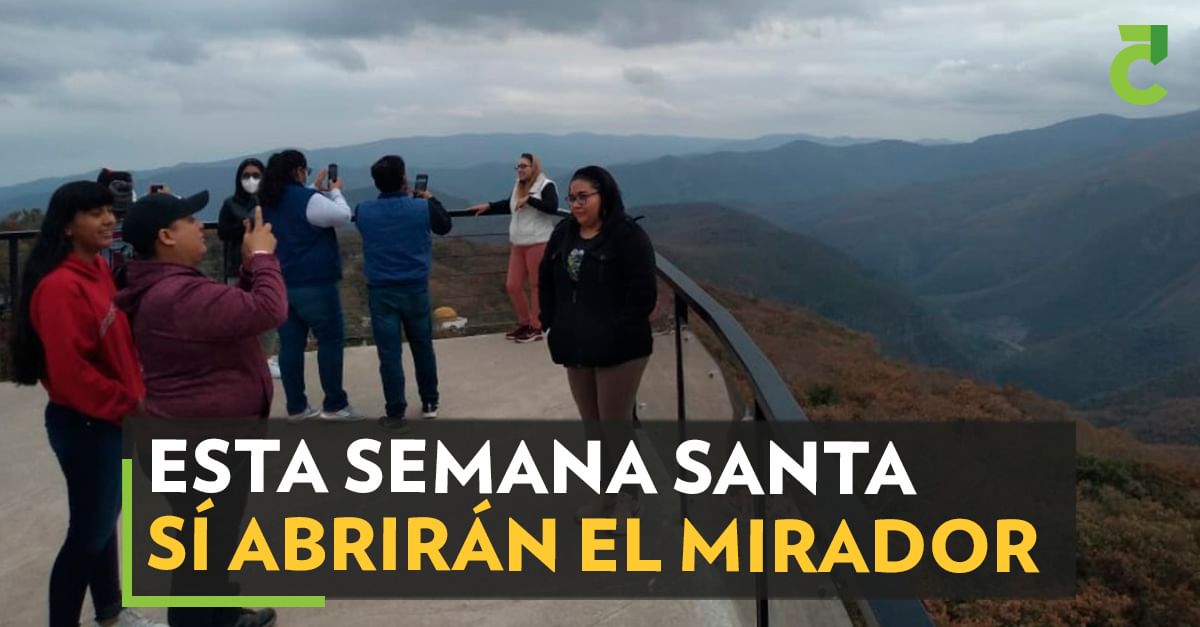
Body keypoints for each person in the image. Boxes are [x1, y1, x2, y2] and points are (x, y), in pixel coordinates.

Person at [114, 190, 282, 627]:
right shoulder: (176, 293)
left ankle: (219, 614)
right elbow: (269, 309)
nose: (200, 226)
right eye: (190, 220)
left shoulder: (171, 287)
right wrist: (263, 258)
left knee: (209, 540)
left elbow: (233, 318)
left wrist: (248, 269)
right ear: (166, 236)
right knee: (204, 543)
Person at [7, 181, 162, 627]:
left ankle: (111, 611)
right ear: (67, 226)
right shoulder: (60, 287)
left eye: (109, 211)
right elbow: (71, 375)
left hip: (110, 420)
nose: (109, 220)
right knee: (87, 536)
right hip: (87, 425)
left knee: (101, 523)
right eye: (95, 213)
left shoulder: (95, 269)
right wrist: (129, 403)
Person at [538, 165, 657, 519]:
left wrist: (611, 331)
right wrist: (550, 324)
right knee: (593, 428)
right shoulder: (563, 233)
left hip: (620, 349)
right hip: (575, 345)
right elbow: (547, 281)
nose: (575, 204)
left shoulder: (627, 236)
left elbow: (643, 296)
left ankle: (629, 498)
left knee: (615, 426)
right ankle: (604, 498)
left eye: (583, 197)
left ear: (604, 196)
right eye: (571, 198)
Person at [259, 149, 365, 422]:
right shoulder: (307, 199)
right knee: (329, 340)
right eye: (304, 170)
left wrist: (314, 190)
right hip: (314, 282)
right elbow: (342, 216)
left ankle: (296, 407)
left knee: (290, 345)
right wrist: (336, 191)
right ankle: (335, 404)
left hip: (281, 282)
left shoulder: (268, 200)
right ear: (297, 171)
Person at [354, 155, 452, 427]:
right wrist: (430, 199)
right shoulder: (421, 207)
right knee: (423, 347)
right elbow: (444, 226)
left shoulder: (363, 210)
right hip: (415, 288)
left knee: (389, 354)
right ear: (403, 179)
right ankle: (430, 402)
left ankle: (395, 411)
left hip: (381, 292)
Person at [468, 153, 560, 343]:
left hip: (538, 241)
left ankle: (536, 326)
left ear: (534, 167)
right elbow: (510, 204)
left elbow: (552, 207)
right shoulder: (518, 185)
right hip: (518, 242)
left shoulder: (546, 185)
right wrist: (489, 206)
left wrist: (530, 200)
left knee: (536, 286)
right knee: (513, 285)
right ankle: (525, 323)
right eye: (518, 166)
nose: (520, 170)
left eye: (524, 166)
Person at [216, 158, 280, 378]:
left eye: (256, 175)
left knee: (269, 313)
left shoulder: (270, 202)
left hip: (266, 267)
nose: (251, 180)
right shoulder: (229, 204)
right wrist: (244, 228)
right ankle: (242, 360)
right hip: (237, 267)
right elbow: (222, 232)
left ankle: (267, 358)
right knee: (239, 316)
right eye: (246, 175)